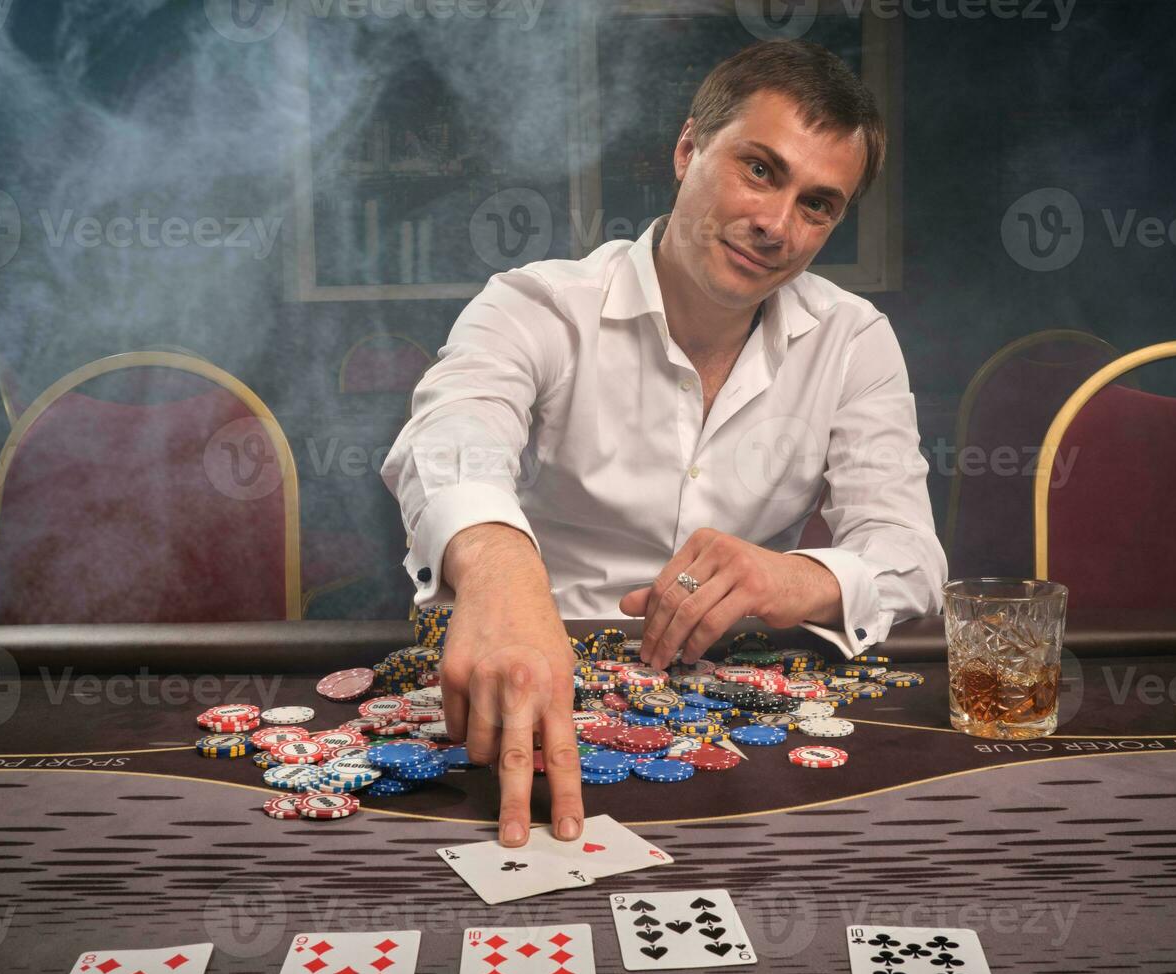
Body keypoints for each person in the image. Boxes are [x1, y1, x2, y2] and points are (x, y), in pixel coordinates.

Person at [380, 40, 948, 848]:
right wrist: (502, 568)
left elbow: (911, 557)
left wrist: (792, 577)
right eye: (759, 169)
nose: (776, 225)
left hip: (740, 711)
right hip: (532, 679)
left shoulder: (854, 340)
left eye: (818, 205)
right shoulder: (536, 304)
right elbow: (449, 432)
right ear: (688, 151)